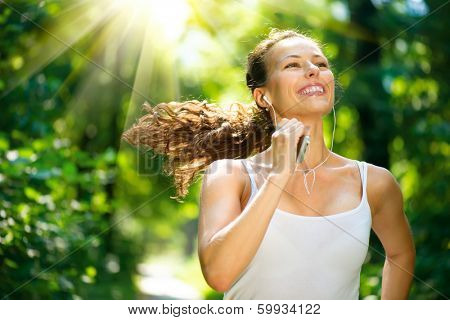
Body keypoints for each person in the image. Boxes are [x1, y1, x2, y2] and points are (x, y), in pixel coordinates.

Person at [122, 28, 415, 299]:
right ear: (262, 96)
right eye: (292, 65)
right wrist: (279, 173)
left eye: (321, 64)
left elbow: (401, 254)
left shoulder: (373, 182)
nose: (313, 70)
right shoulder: (231, 175)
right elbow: (219, 275)